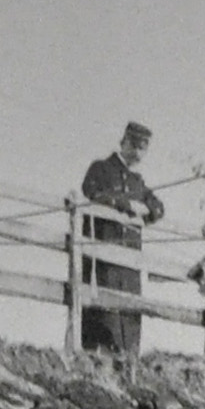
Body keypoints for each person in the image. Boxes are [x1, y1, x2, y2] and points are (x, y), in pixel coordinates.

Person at [79, 123, 165, 362]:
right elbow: (91, 191)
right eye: (135, 147)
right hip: (105, 250)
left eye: (143, 150)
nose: (139, 154)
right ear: (124, 142)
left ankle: (129, 358)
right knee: (104, 305)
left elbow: (158, 207)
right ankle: (100, 355)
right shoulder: (101, 169)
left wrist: (149, 211)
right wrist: (125, 205)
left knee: (129, 306)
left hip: (130, 258)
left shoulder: (138, 182)